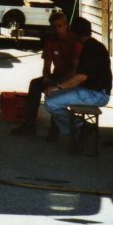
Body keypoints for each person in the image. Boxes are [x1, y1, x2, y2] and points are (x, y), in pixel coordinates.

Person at [11, 11, 81, 139]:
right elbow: (47, 66)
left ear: (66, 25)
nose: (57, 29)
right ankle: (30, 125)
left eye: (60, 26)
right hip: (56, 76)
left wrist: (58, 84)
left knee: (56, 92)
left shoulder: (75, 42)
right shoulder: (50, 41)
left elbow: (76, 69)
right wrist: (47, 77)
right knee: (35, 84)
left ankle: (54, 130)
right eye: (54, 26)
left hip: (70, 79)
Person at [44, 16, 112, 142]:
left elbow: (80, 77)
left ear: (75, 33)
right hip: (89, 90)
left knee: (51, 103)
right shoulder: (91, 45)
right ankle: (81, 127)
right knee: (51, 97)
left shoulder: (91, 49)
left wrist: (57, 87)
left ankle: (80, 127)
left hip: (97, 94)